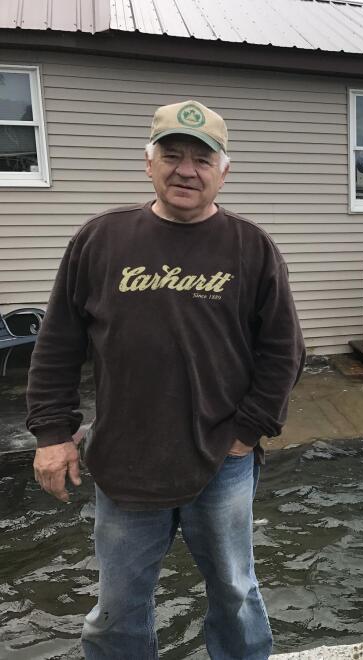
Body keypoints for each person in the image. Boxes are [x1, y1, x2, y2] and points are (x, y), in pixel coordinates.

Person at [26, 100, 305, 659]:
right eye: (172, 155)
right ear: (148, 163)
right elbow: (58, 343)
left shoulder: (251, 247)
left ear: (224, 171)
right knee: (118, 605)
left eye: (203, 159)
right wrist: (53, 434)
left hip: (221, 461)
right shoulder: (100, 239)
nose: (186, 170)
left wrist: (247, 432)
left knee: (236, 591)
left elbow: (284, 352)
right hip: (124, 460)